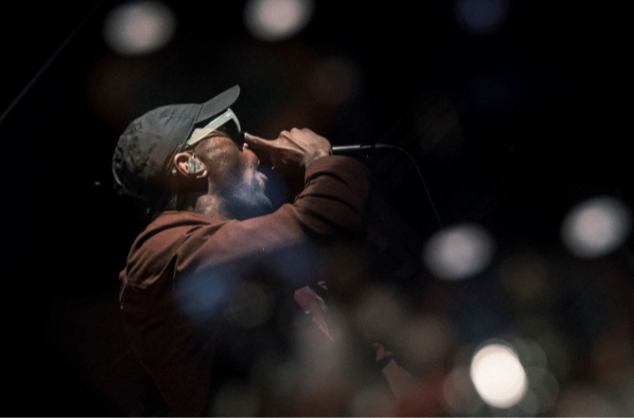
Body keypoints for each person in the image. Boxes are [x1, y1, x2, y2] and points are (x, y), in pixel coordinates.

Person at [112, 85, 390, 416]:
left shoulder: (251, 250)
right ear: (189, 164)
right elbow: (320, 220)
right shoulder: (155, 253)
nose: (252, 148)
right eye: (230, 132)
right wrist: (320, 161)